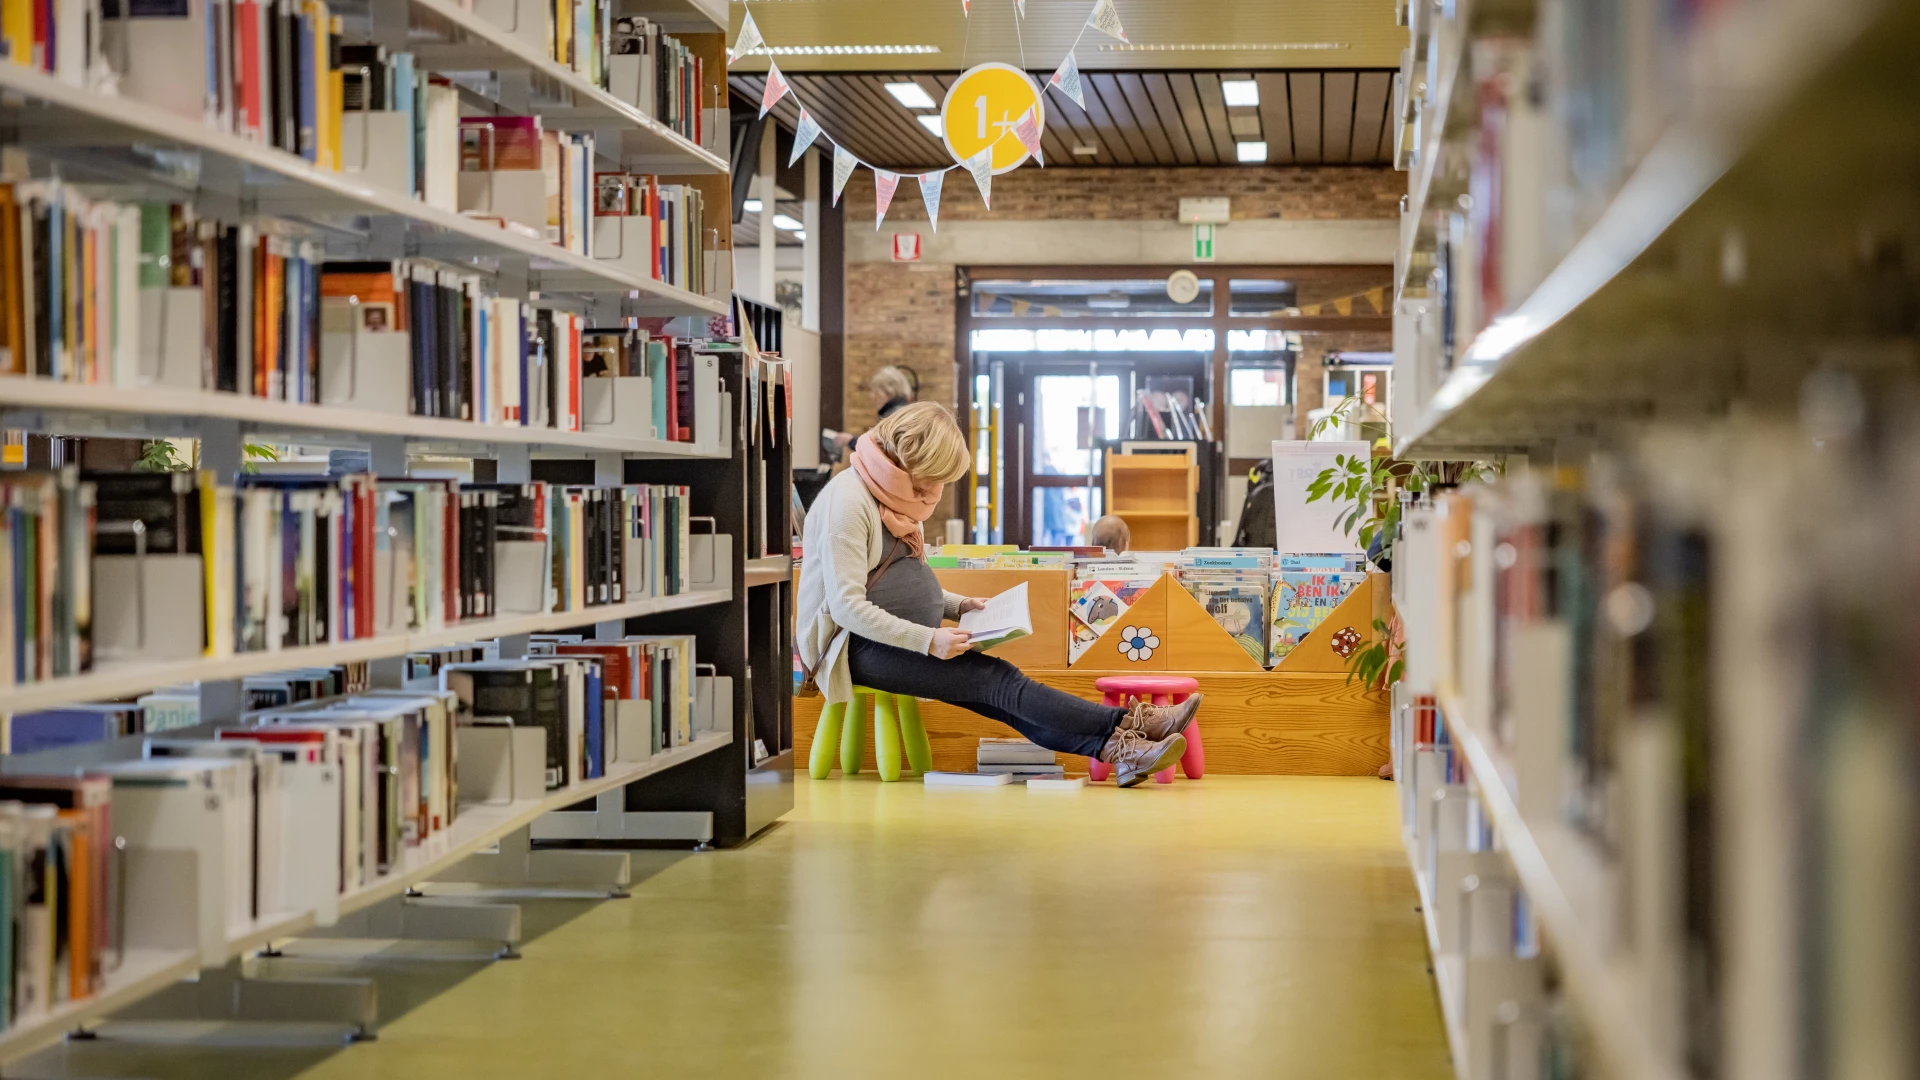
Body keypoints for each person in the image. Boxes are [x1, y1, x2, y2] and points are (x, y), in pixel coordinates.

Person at [797, 402, 1198, 787]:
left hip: (889, 636)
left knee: (999, 698)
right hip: (850, 647)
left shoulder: (889, 495)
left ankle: (1118, 749)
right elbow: (847, 607)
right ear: (911, 462)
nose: (934, 491)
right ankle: (1134, 724)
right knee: (998, 681)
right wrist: (929, 638)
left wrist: (958, 606)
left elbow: (897, 576)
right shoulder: (848, 504)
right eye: (933, 478)